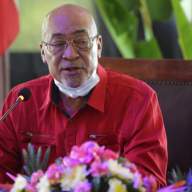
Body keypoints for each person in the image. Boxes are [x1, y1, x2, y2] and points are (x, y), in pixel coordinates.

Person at [0, 4, 167, 186]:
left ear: (99, 46)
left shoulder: (139, 100)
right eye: (57, 44)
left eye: (81, 41)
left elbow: (148, 184)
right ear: (43, 52)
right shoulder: (21, 102)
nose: (70, 54)